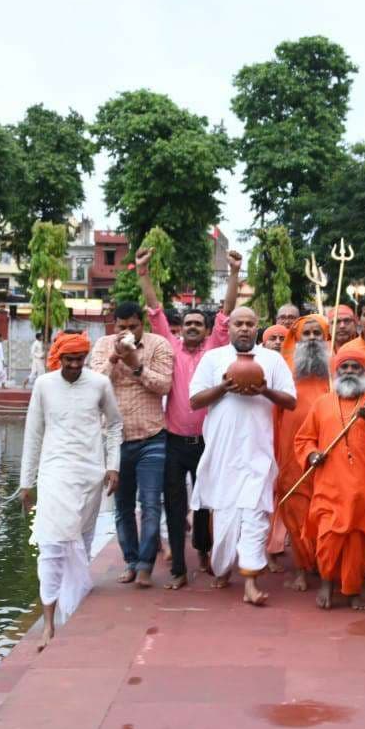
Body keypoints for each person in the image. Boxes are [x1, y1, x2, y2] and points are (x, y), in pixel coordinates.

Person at [137, 246, 240, 588]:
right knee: (176, 505)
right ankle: (180, 569)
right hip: (174, 440)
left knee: (206, 502)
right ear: (181, 328)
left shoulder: (214, 350)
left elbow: (227, 311)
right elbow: (154, 311)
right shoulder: (168, 346)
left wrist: (235, 273)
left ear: (207, 329)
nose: (193, 327)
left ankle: (205, 554)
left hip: (208, 443)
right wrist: (143, 273)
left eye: (199, 323)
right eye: (188, 323)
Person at [20, 332, 124, 651]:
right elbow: (33, 434)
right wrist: (26, 483)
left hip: (91, 475)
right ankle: (49, 622)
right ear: (59, 358)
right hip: (53, 473)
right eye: (69, 360)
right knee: (52, 545)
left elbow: (116, 424)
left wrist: (113, 466)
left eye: (80, 359)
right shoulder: (44, 385)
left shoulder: (99, 384)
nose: (75, 365)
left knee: (81, 544)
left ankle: (74, 607)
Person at [189, 306, 297, 606]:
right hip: (222, 453)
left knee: (255, 515)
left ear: (258, 326)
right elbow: (195, 401)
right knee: (224, 518)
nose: (245, 329)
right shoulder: (212, 359)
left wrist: (264, 390)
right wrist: (224, 386)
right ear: (230, 327)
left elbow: (290, 401)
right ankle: (222, 568)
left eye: (251, 323)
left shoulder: (272, 360)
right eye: (239, 324)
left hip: (257, 452)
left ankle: (250, 580)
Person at [296, 346, 365, 610]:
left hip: (363, 490)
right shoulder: (322, 403)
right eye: (344, 367)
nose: (349, 371)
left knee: (358, 544)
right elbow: (304, 439)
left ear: (364, 372)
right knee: (327, 539)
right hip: (329, 487)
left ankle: (353, 590)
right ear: (337, 371)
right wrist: (311, 456)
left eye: (355, 367)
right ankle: (326, 583)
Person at [88, 301, 174, 588]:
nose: (127, 331)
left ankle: (146, 564)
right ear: (115, 326)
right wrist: (115, 357)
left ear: (142, 325)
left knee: (150, 504)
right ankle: (131, 561)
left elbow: (165, 386)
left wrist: (137, 366)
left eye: (133, 326)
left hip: (152, 436)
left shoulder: (158, 344)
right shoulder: (102, 345)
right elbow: (93, 384)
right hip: (115, 440)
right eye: (122, 327)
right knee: (122, 506)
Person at [272, 314, 331, 591]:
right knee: (295, 513)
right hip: (291, 456)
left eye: (316, 333)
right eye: (305, 334)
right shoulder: (283, 369)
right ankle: (301, 567)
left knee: (324, 512)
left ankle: (323, 563)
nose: (311, 339)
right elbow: (274, 417)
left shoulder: (335, 370)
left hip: (327, 455)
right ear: (296, 339)